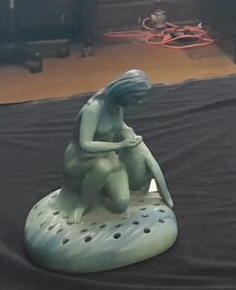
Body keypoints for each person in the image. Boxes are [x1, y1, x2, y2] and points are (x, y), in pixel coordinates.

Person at [61, 69, 173, 223]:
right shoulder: (93, 109)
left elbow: (119, 125)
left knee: (120, 204)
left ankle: (98, 196)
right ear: (125, 92)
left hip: (109, 157)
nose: (139, 102)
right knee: (102, 167)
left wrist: (129, 134)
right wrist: (120, 144)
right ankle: (82, 205)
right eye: (137, 98)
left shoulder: (117, 105)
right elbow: (85, 144)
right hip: (81, 160)